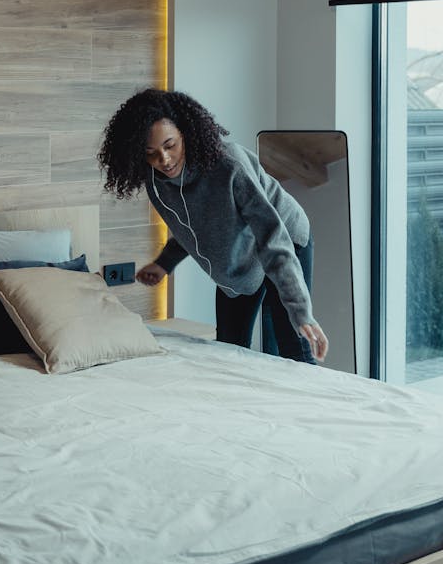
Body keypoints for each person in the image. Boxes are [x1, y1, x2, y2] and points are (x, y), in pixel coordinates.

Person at [97, 88, 328, 363]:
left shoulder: (229, 166)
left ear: (186, 132)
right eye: (151, 153)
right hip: (237, 261)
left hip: (283, 240)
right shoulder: (157, 184)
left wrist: (301, 312)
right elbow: (192, 228)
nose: (164, 160)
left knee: (293, 346)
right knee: (229, 349)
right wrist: (164, 264)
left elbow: (271, 236)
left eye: (170, 145)